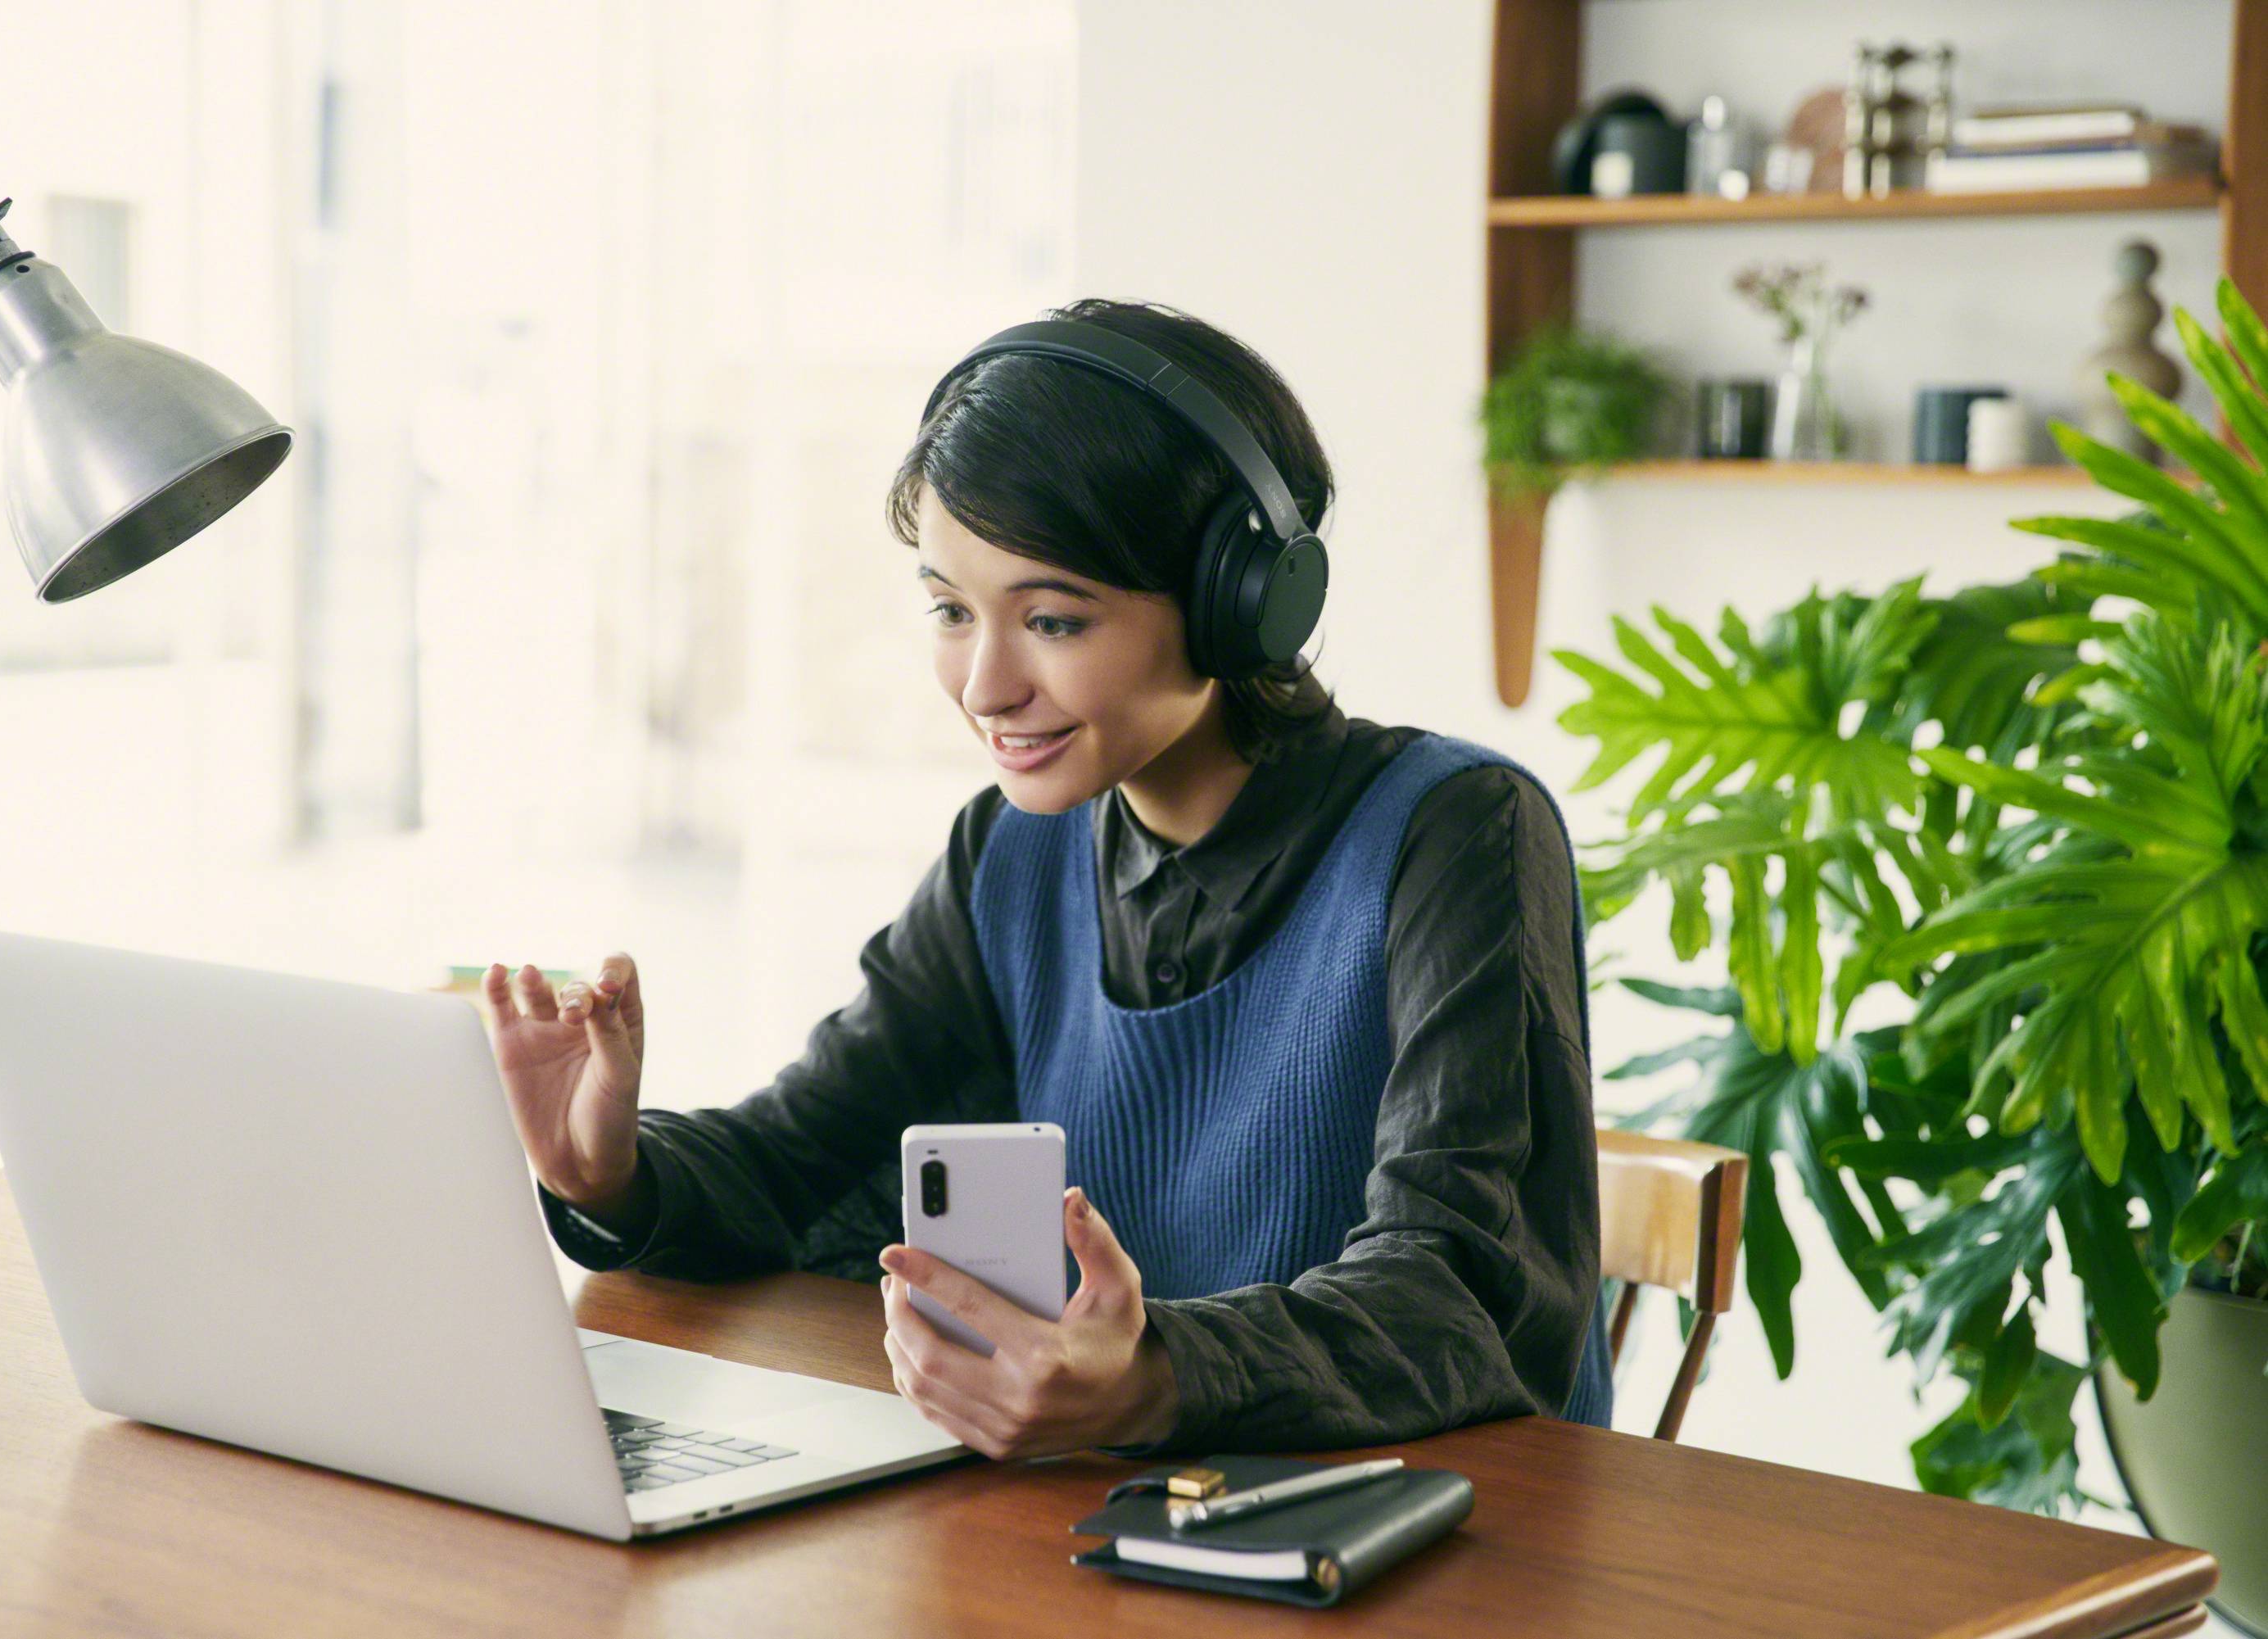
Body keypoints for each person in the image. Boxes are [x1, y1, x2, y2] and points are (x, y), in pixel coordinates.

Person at [484, 297, 1613, 1460]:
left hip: (1424, 1543)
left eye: (1055, 620)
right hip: (1112, 1526)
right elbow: (803, 1158)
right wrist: (614, 1174)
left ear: (1244, 603)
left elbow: (1468, 1294)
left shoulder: (1458, 832)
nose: (984, 685)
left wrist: (1153, 1378)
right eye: (948, 610)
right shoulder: (1011, 854)